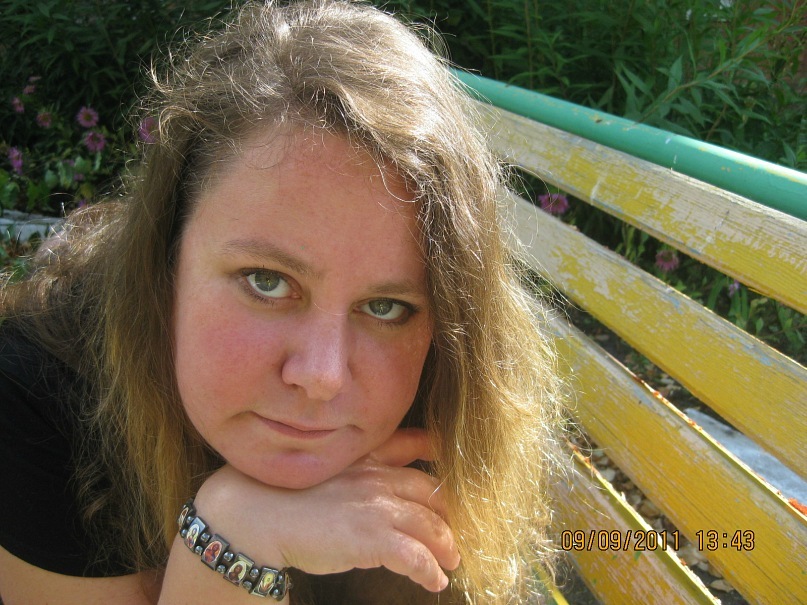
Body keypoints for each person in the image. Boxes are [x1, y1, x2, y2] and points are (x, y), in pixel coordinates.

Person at [0, 1, 566, 603]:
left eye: (386, 308)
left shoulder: (451, 403)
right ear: (165, 257)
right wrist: (231, 540)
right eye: (267, 281)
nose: (321, 376)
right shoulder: (38, 401)